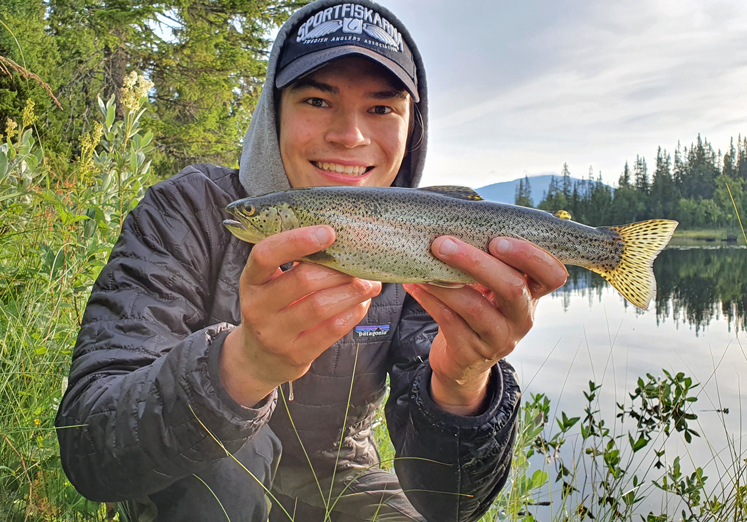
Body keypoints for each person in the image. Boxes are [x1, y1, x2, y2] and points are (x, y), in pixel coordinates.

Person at [55, 1, 568, 521]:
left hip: (343, 476)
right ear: (275, 111)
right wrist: (242, 367)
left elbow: (449, 503)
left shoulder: (420, 244)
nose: (349, 135)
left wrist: (464, 384)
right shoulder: (183, 213)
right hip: (200, 474)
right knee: (222, 484)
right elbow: (88, 451)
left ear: (412, 129)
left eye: (381, 108)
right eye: (318, 100)